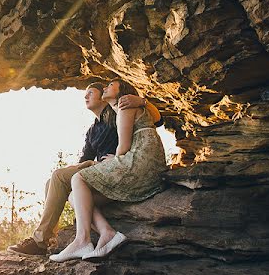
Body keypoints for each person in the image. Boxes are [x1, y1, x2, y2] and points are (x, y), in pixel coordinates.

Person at [8, 82, 161, 256]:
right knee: (54, 182)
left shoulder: (118, 108)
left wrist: (141, 101)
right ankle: (48, 239)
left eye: (91, 92)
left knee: (58, 176)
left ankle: (40, 241)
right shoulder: (92, 130)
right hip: (99, 167)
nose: (85, 96)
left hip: (120, 165)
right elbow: (85, 159)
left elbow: (157, 120)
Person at [49, 78, 168, 262]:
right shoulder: (107, 118)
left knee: (78, 179)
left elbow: (124, 147)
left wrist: (114, 160)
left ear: (122, 91)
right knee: (75, 196)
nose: (105, 87)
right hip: (141, 163)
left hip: (141, 162)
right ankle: (107, 233)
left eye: (110, 85)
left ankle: (82, 240)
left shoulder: (125, 105)